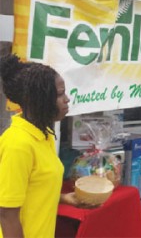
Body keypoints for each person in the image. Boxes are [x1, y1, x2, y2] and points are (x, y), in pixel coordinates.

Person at [0, 54, 84, 238]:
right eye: (60, 94)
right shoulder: (18, 144)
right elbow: (7, 214)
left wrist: (64, 199)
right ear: (39, 100)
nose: (67, 99)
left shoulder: (42, 136)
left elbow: (34, 190)